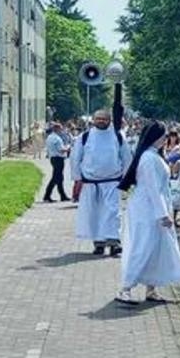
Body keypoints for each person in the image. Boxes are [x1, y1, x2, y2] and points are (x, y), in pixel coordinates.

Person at [114, 123, 180, 305]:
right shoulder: (148, 158)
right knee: (143, 247)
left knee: (156, 249)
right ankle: (125, 288)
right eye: (163, 136)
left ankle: (151, 288)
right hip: (146, 210)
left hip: (154, 207)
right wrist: (163, 214)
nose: (166, 140)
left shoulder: (153, 156)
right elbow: (152, 188)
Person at [69, 107, 130, 256]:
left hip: (112, 182)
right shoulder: (84, 137)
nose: (101, 121)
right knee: (95, 214)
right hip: (90, 183)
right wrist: (77, 178)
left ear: (109, 121)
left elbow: (126, 157)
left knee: (112, 212)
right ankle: (99, 243)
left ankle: (114, 242)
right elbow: (75, 158)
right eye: (98, 118)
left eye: (104, 119)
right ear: (93, 120)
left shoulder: (118, 136)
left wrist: (127, 178)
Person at [42, 123, 70, 202]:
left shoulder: (50, 137)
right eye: (60, 129)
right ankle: (47, 195)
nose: (61, 130)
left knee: (59, 178)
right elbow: (61, 150)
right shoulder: (57, 139)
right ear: (56, 129)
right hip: (58, 158)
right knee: (55, 178)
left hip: (53, 158)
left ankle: (62, 195)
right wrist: (68, 148)